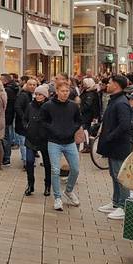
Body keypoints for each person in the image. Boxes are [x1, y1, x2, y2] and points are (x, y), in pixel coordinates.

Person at [96, 75, 133, 220]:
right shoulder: (115, 100)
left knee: (121, 177)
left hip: (119, 145)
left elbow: (124, 125)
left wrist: (110, 136)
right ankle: (116, 202)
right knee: (114, 174)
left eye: (110, 82)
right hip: (112, 145)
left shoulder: (121, 103)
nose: (107, 84)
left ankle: (124, 206)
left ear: (116, 85)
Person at [41, 81, 83, 212]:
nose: (65, 93)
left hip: (69, 141)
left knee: (75, 169)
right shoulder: (48, 106)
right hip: (54, 142)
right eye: (63, 91)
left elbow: (78, 120)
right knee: (55, 170)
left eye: (67, 91)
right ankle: (57, 197)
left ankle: (69, 191)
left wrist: (72, 130)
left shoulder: (73, 106)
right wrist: (52, 129)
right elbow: (43, 120)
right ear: (57, 91)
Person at [23, 86, 52, 196]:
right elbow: (25, 118)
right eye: (37, 94)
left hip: (45, 139)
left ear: (45, 96)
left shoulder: (49, 106)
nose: (38, 96)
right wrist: (26, 126)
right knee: (29, 162)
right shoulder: (30, 106)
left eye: (41, 94)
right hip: (31, 138)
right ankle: (30, 185)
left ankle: (47, 186)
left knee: (47, 163)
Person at [14, 78, 36, 165]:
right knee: (23, 143)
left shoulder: (31, 95)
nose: (32, 86)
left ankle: (28, 160)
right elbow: (17, 107)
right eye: (30, 84)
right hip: (22, 124)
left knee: (28, 143)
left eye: (34, 85)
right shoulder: (23, 95)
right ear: (26, 85)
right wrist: (24, 118)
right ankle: (26, 161)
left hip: (29, 124)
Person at [0, 74, 19, 166]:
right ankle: (6, 157)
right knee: (8, 136)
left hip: (6, 117)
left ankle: (6, 158)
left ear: (5, 81)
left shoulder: (7, 91)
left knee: (6, 138)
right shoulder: (14, 88)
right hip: (10, 116)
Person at [80, 77, 102, 152]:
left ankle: (88, 146)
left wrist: (80, 109)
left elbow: (88, 105)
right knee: (87, 130)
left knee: (86, 130)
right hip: (90, 115)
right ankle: (88, 146)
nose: (83, 85)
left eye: (84, 83)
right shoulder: (91, 92)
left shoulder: (90, 93)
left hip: (88, 115)